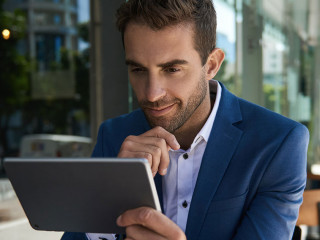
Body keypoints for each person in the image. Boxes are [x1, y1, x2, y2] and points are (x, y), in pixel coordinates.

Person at [62, 0, 309, 239]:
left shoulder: (278, 143)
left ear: (211, 64)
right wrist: (109, 198)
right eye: (138, 69)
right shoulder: (114, 135)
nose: (152, 94)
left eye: (172, 70)